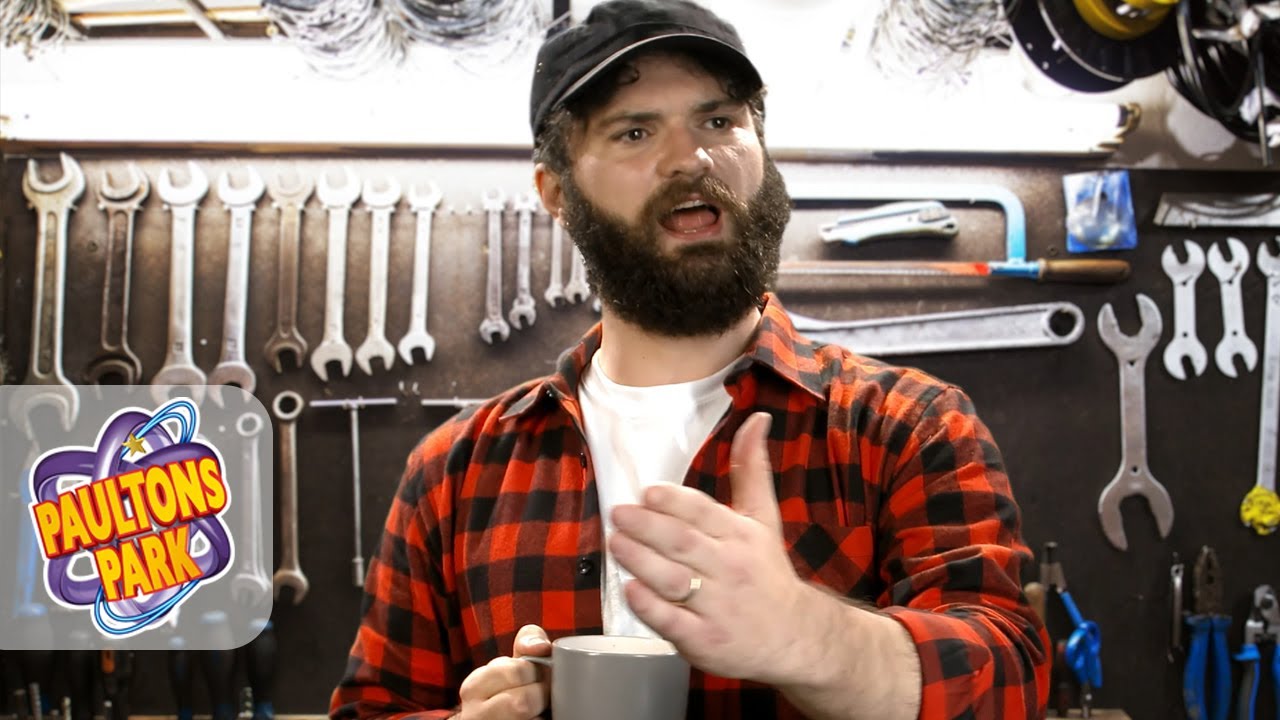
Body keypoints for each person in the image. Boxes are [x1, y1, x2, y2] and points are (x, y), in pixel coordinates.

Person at [329, 1, 1050, 718]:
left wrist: (810, 640)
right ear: (556, 193)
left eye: (719, 122)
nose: (690, 158)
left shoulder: (910, 428)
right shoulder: (456, 472)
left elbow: (1010, 683)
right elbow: (373, 708)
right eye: (636, 131)